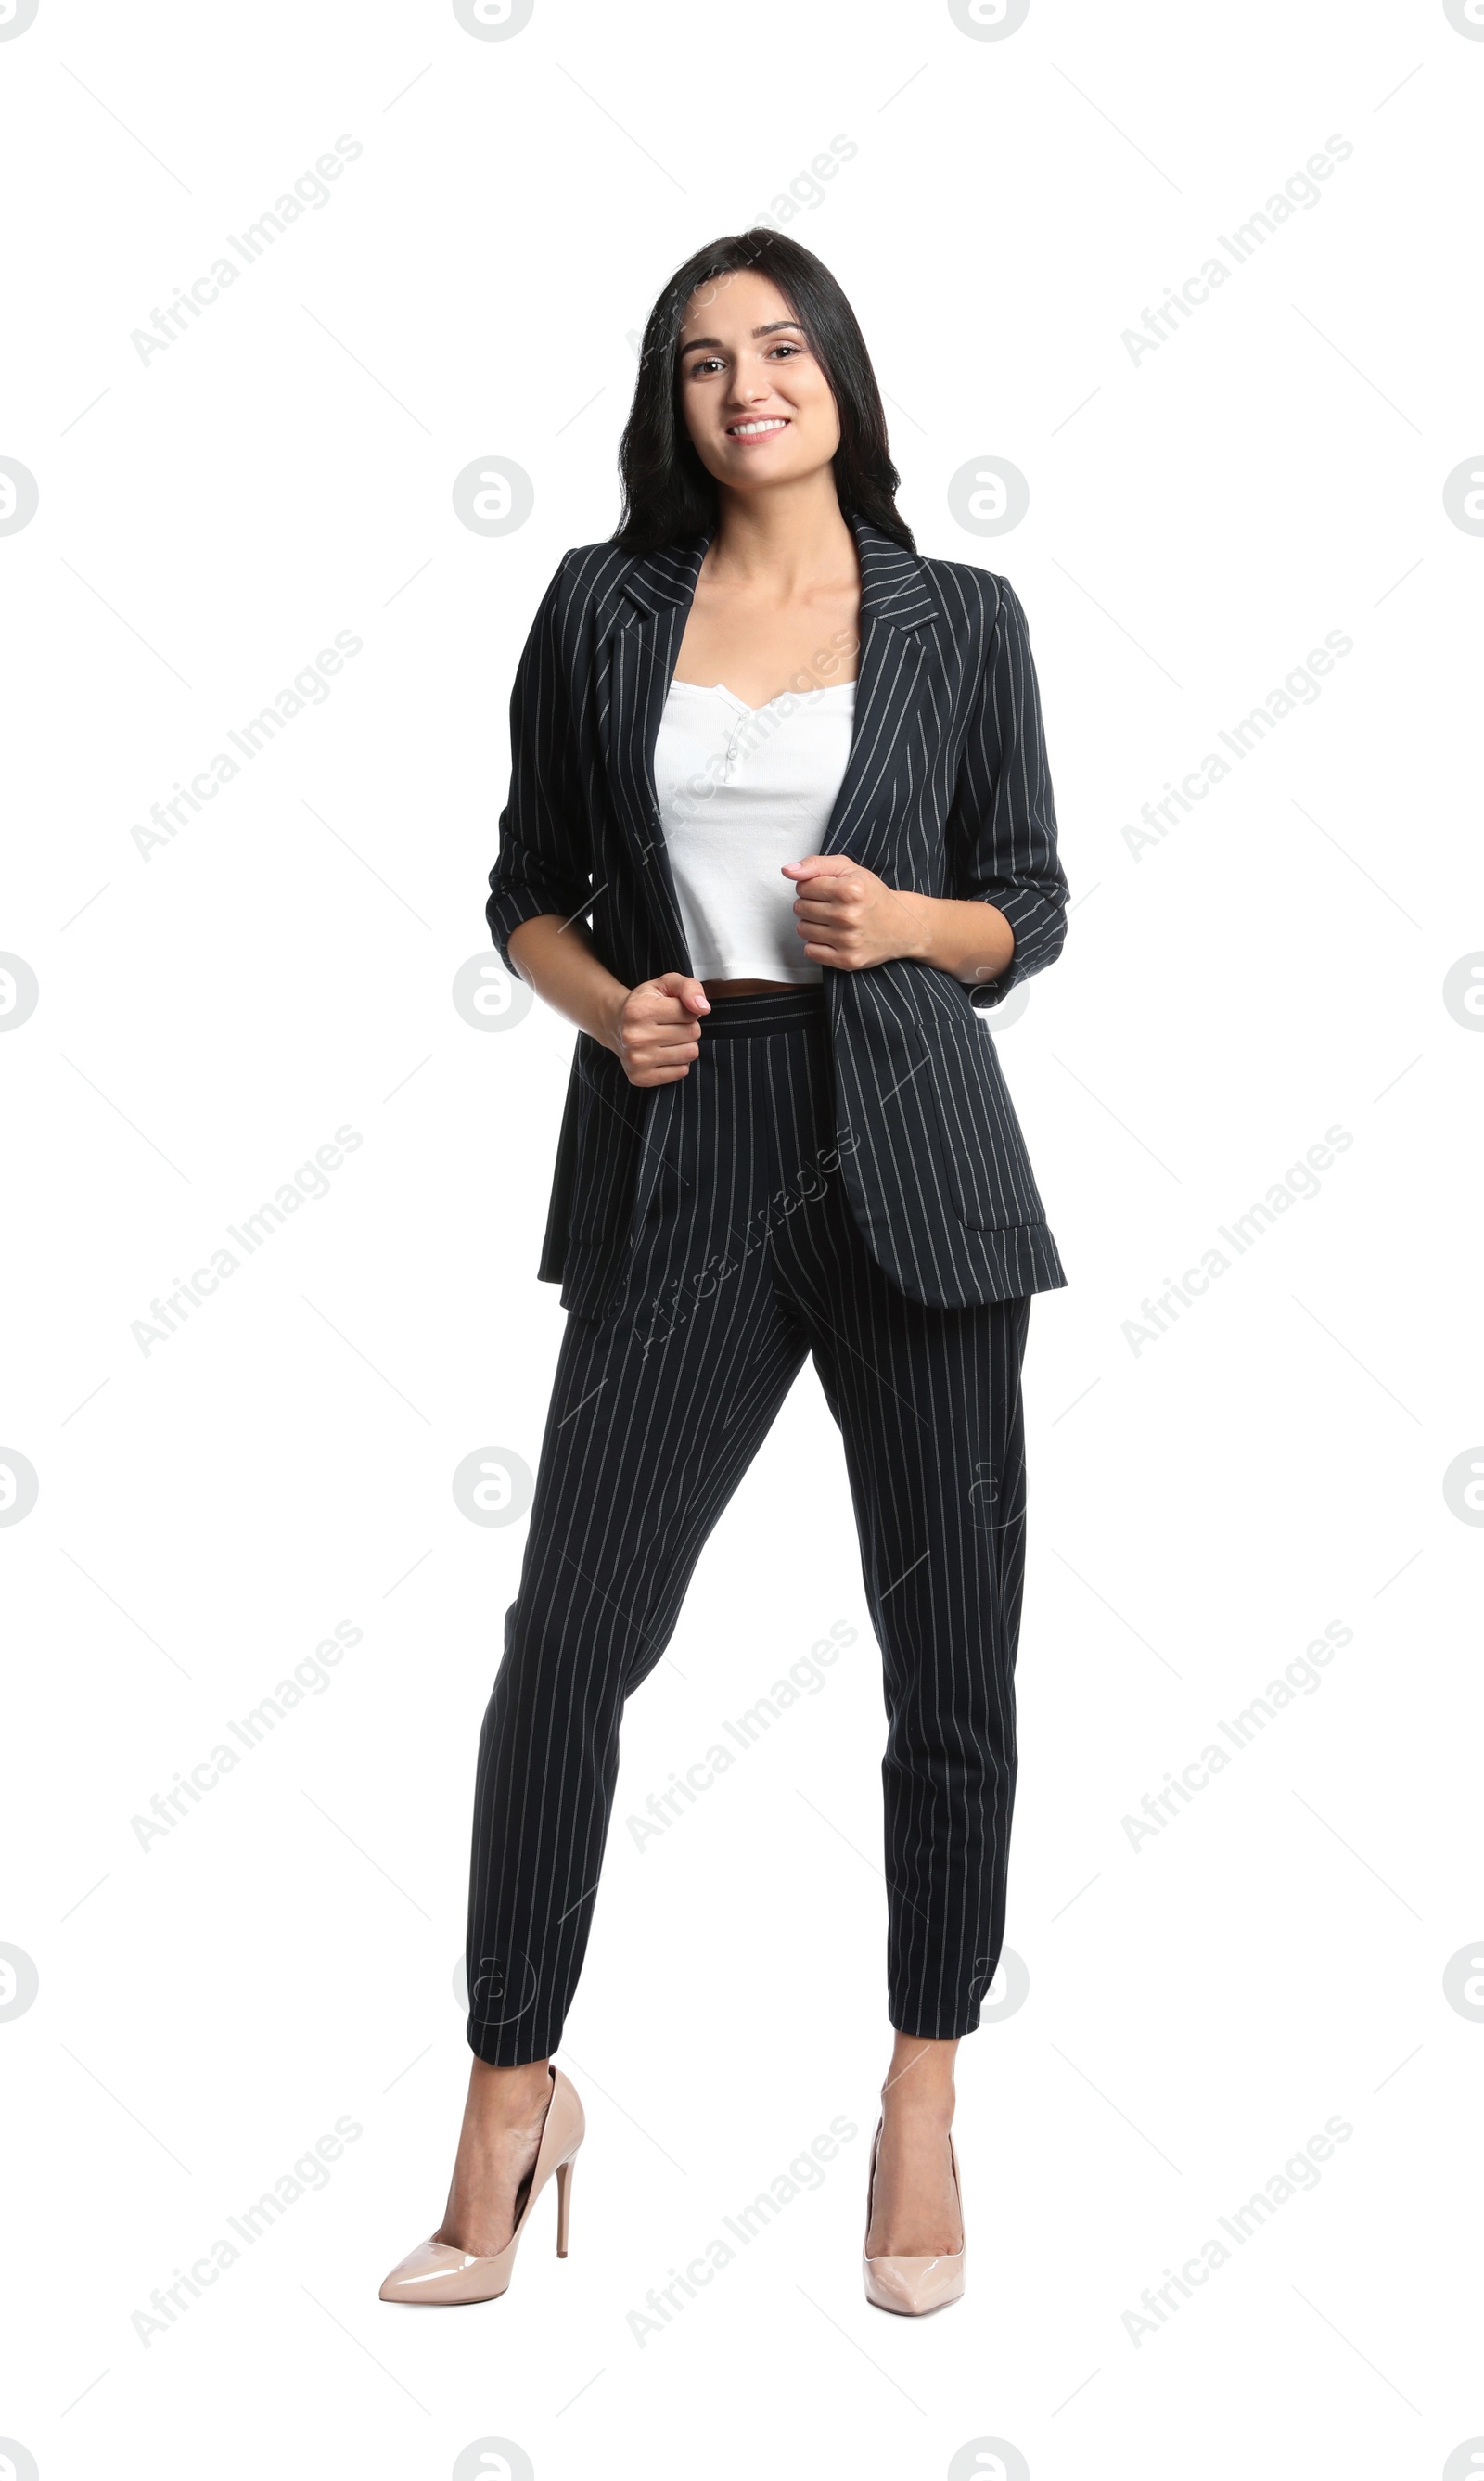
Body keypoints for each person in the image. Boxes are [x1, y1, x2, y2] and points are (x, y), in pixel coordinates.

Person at [380, 227, 1069, 2316]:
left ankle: (921, 2099)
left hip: (920, 1166)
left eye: (777, 346)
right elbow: (522, 892)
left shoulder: (957, 616)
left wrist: (911, 924)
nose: (744, 382)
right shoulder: (599, 607)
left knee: (945, 1673)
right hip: (688, 1142)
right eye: (701, 359)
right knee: (564, 1639)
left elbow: (1026, 908)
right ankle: (510, 2096)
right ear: (668, 404)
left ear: (839, 373)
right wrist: (606, 1008)